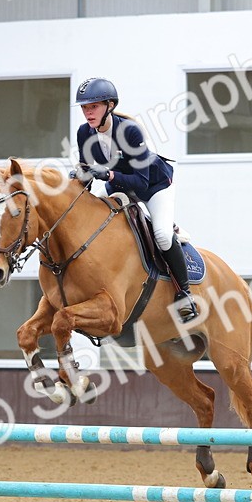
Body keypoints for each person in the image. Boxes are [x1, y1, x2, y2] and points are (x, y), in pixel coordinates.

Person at [72, 77, 197, 322]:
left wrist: (107, 173)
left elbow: (140, 182)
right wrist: (77, 180)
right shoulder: (84, 133)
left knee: (161, 234)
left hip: (154, 186)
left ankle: (185, 294)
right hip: (118, 185)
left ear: (109, 105)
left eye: (93, 106)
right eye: (85, 108)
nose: (88, 113)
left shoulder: (129, 131)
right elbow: (86, 170)